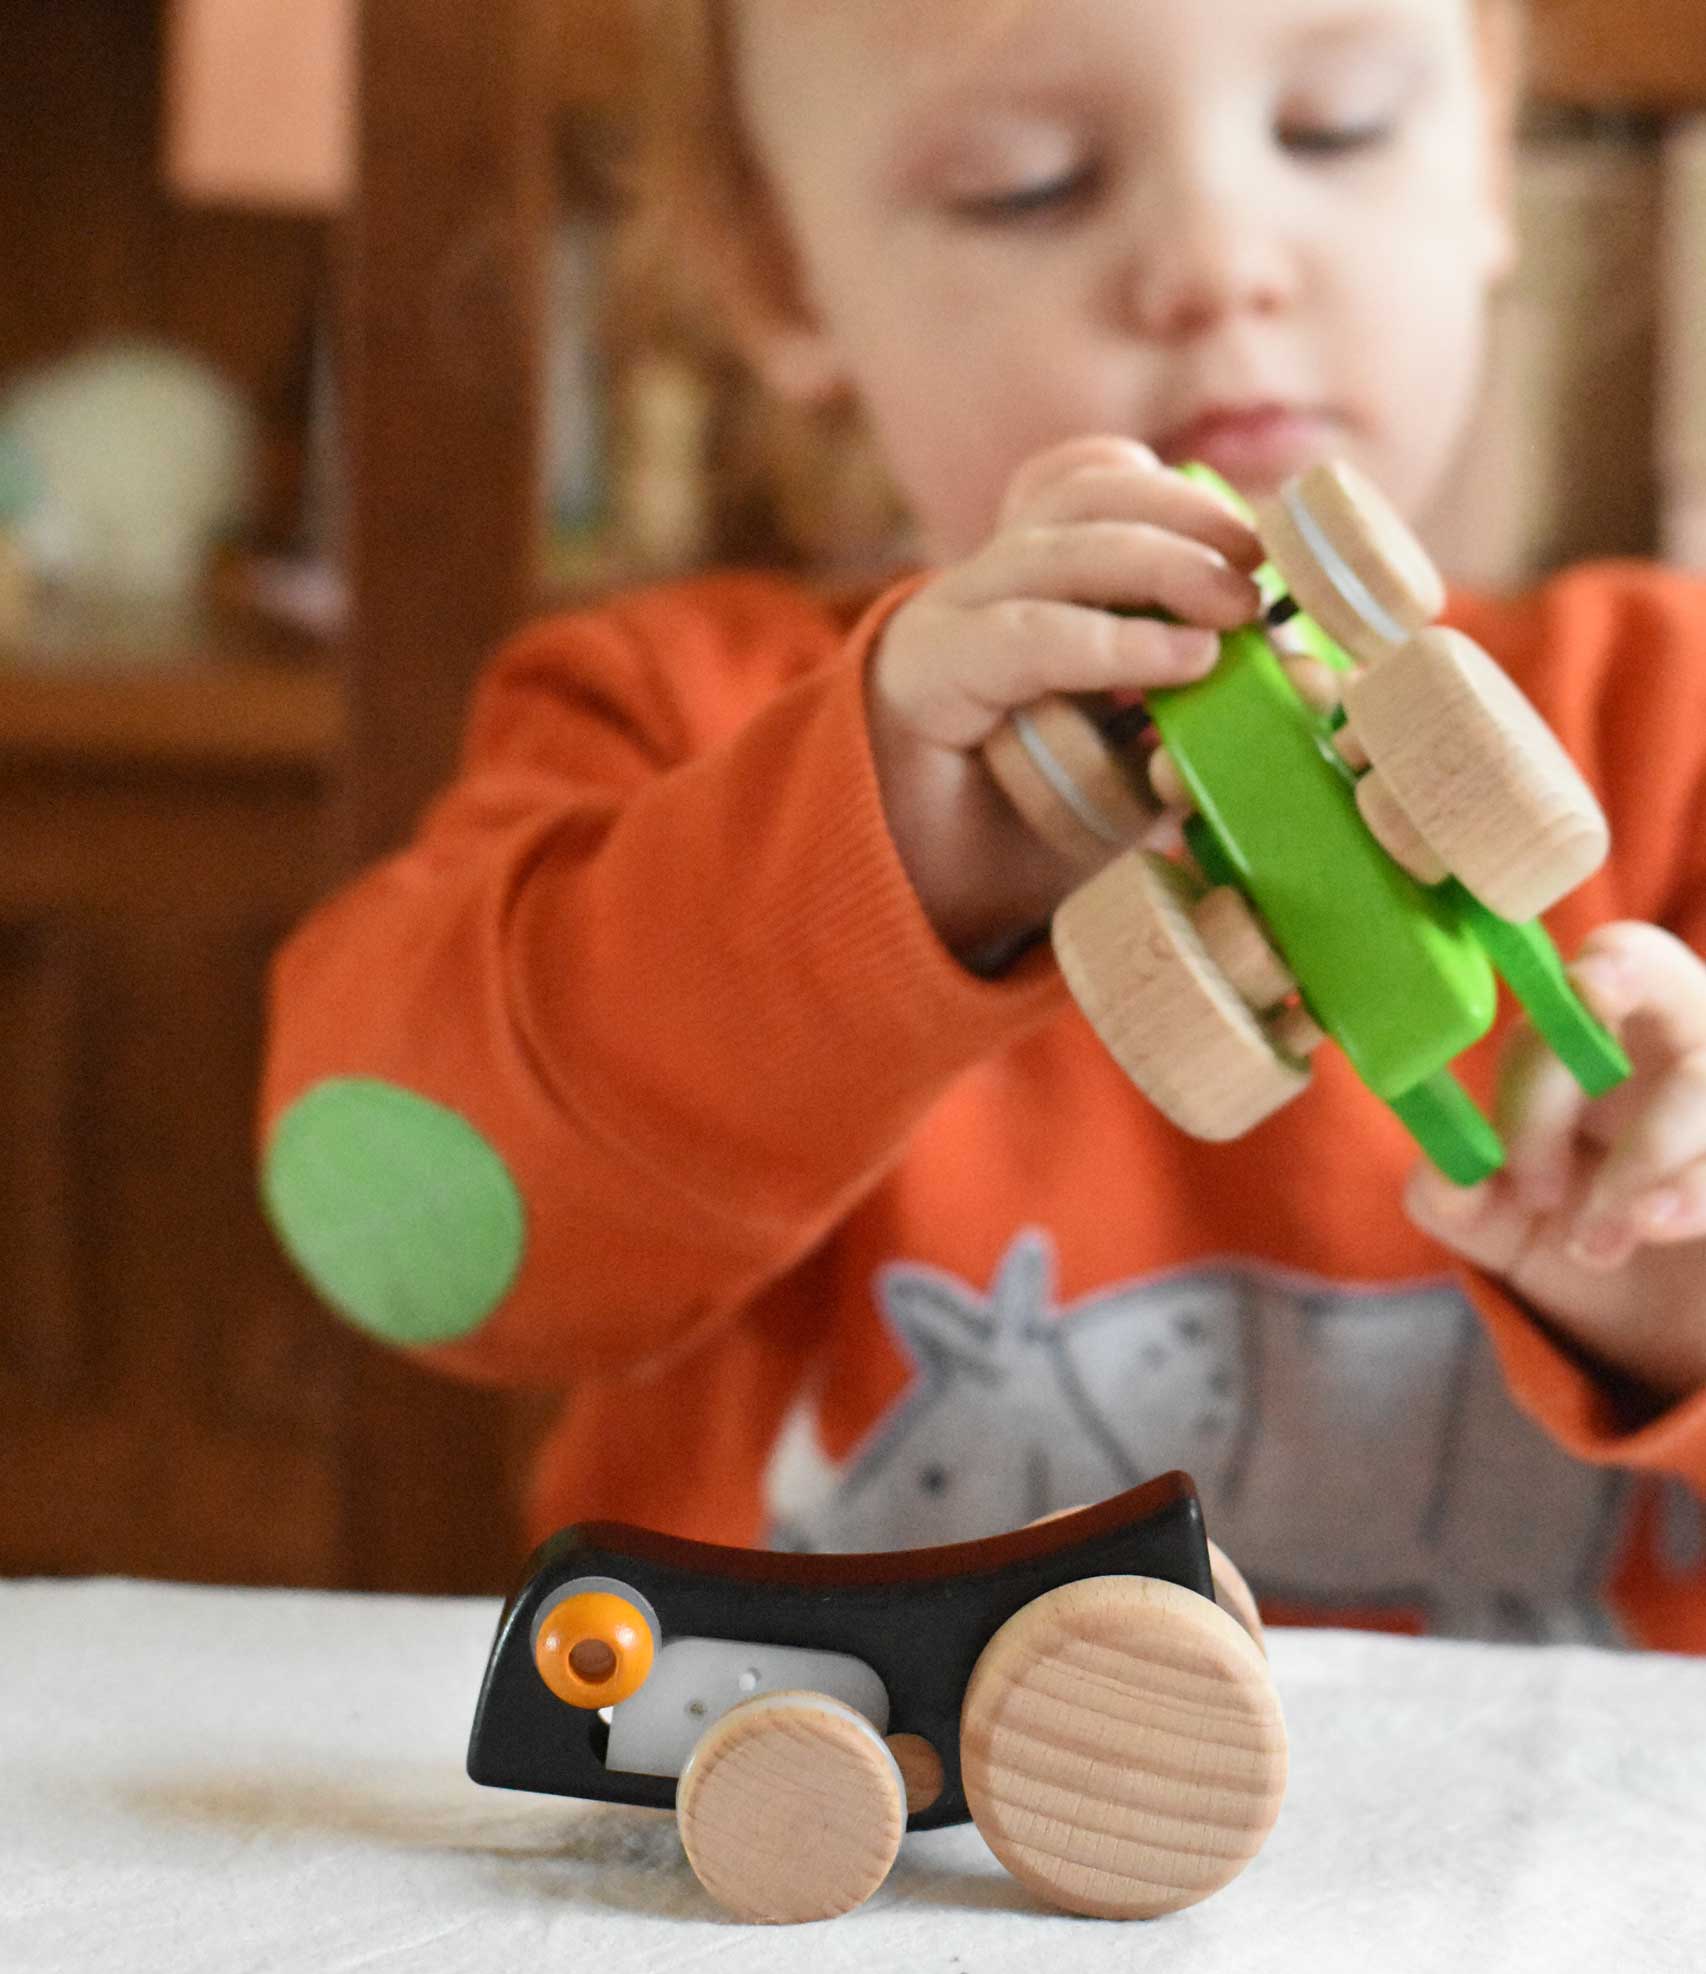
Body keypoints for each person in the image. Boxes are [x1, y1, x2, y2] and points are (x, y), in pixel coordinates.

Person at [260, 0, 1706, 1649]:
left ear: (1484, 163)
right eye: (1028, 185)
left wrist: (1667, 1275)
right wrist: (882, 846)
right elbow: (390, 1214)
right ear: (780, 273)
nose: (1217, 262)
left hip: (1545, 1875)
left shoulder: (1673, 726)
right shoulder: (670, 726)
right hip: (826, 1857)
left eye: (1334, 128)